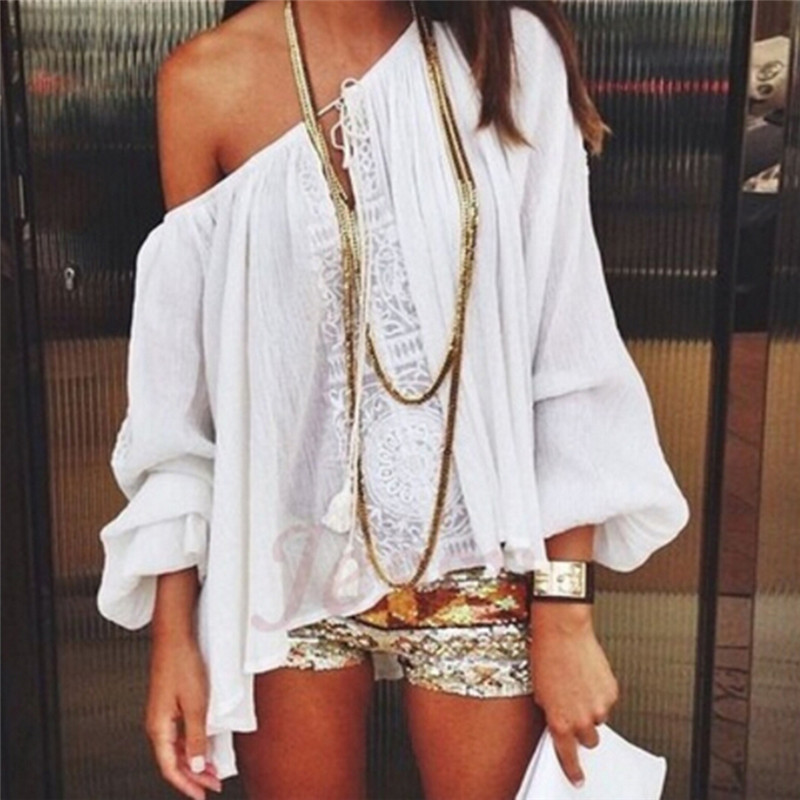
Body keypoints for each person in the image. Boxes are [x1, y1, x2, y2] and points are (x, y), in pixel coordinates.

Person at [95, 1, 691, 799]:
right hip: (282, 570)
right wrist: (174, 640)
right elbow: (181, 404)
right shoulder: (205, 83)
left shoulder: (508, 55)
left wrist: (567, 612)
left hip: (478, 562)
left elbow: (567, 354)